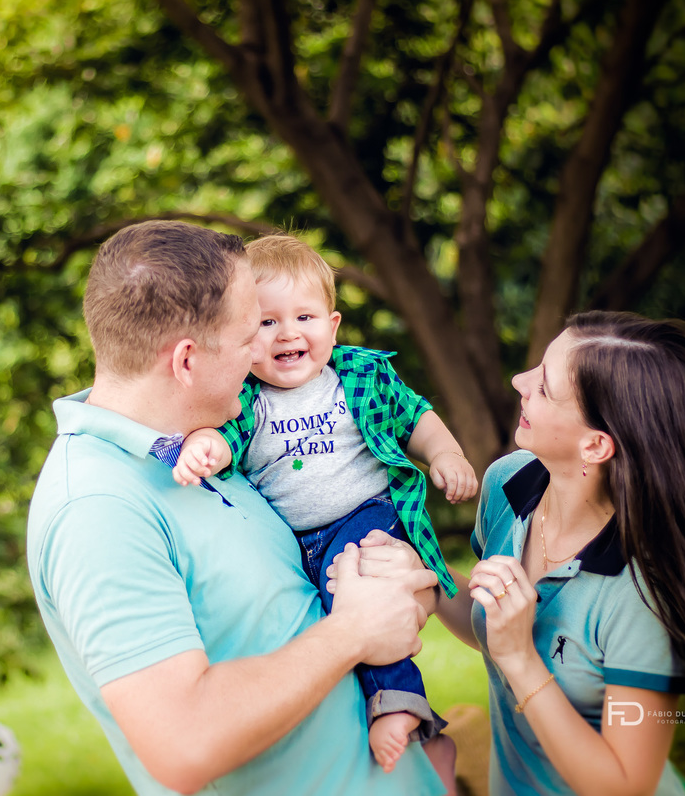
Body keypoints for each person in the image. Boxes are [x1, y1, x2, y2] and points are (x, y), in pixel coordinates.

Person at [26, 220, 447, 796]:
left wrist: (401, 585)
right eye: (251, 335)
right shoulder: (96, 510)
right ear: (187, 361)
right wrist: (354, 631)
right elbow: (184, 743)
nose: (263, 353)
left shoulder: (205, 445)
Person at [333, 310, 685, 795]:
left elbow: (627, 786)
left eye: (544, 386)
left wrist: (521, 659)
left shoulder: (643, 597)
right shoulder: (508, 483)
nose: (519, 381)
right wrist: (426, 575)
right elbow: (493, 621)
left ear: (595, 446)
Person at [171, 234, 475, 782]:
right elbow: (222, 442)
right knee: (324, 634)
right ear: (243, 337)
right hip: (299, 544)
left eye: (304, 317)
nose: (288, 333)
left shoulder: (357, 376)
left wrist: (446, 454)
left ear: (332, 327)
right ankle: (428, 750)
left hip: (366, 518)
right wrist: (202, 446)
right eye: (267, 322)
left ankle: (400, 705)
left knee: (357, 599)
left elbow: (415, 416)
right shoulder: (245, 400)